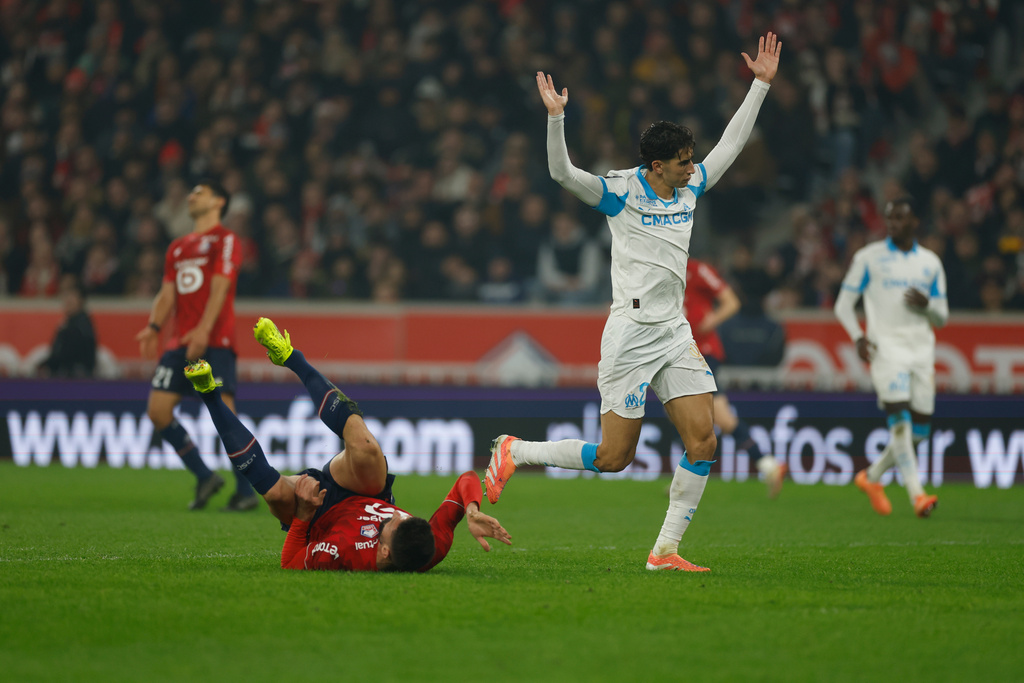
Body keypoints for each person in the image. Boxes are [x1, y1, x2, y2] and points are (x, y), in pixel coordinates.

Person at [485, 33, 782, 572]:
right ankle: (515, 451)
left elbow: (731, 148)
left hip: (675, 332)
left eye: (692, 160)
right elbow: (561, 174)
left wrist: (759, 85)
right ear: (656, 165)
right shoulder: (621, 192)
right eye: (683, 162)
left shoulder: (690, 188)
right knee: (613, 458)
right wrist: (556, 119)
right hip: (632, 331)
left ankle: (664, 551)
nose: (693, 168)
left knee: (704, 440)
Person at [182, 317, 511, 572]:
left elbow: (290, 561)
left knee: (277, 494)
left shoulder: (343, 551)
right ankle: (290, 357)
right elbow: (467, 478)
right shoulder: (429, 545)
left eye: (391, 523)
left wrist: (305, 516)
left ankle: (209, 394)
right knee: (367, 448)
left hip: (319, 511)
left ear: (383, 551)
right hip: (365, 489)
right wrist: (470, 509)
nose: (396, 516)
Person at [135, 180, 258, 512]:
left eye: (199, 192)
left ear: (219, 201)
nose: (190, 196)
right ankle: (205, 476)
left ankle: (246, 491)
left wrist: (204, 329)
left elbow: (221, 285)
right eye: (190, 192)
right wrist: (153, 327)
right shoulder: (177, 246)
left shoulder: (226, 240)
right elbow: (167, 292)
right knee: (158, 411)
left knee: (225, 415)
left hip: (215, 340)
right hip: (180, 340)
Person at [834, 198, 946, 518]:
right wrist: (858, 336)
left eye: (900, 218)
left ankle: (871, 477)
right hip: (886, 351)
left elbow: (942, 317)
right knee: (900, 423)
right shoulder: (869, 258)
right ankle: (917, 496)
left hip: (922, 351)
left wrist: (928, 305)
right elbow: (843, 305)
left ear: (915, 221)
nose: (893, 223)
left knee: (920, 433)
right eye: (890, 218)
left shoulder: (930, 263)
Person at [684, 258, 787, 497]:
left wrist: (710, 321)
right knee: (696, 417)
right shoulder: (663, 267)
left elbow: (731, 302)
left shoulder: (698, 270)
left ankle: (767, 465)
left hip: (702, 353)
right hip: (683, 354)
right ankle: (768, 466)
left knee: (714, 417)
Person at [39, 275, 97, 378]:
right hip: (66, 371)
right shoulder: (67, 323)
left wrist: (48, 365)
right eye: (66, 296)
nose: (67, 300)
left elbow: (69, 354)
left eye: (72, 296)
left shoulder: (82, 324)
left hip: (76, 376)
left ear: (81, 300)